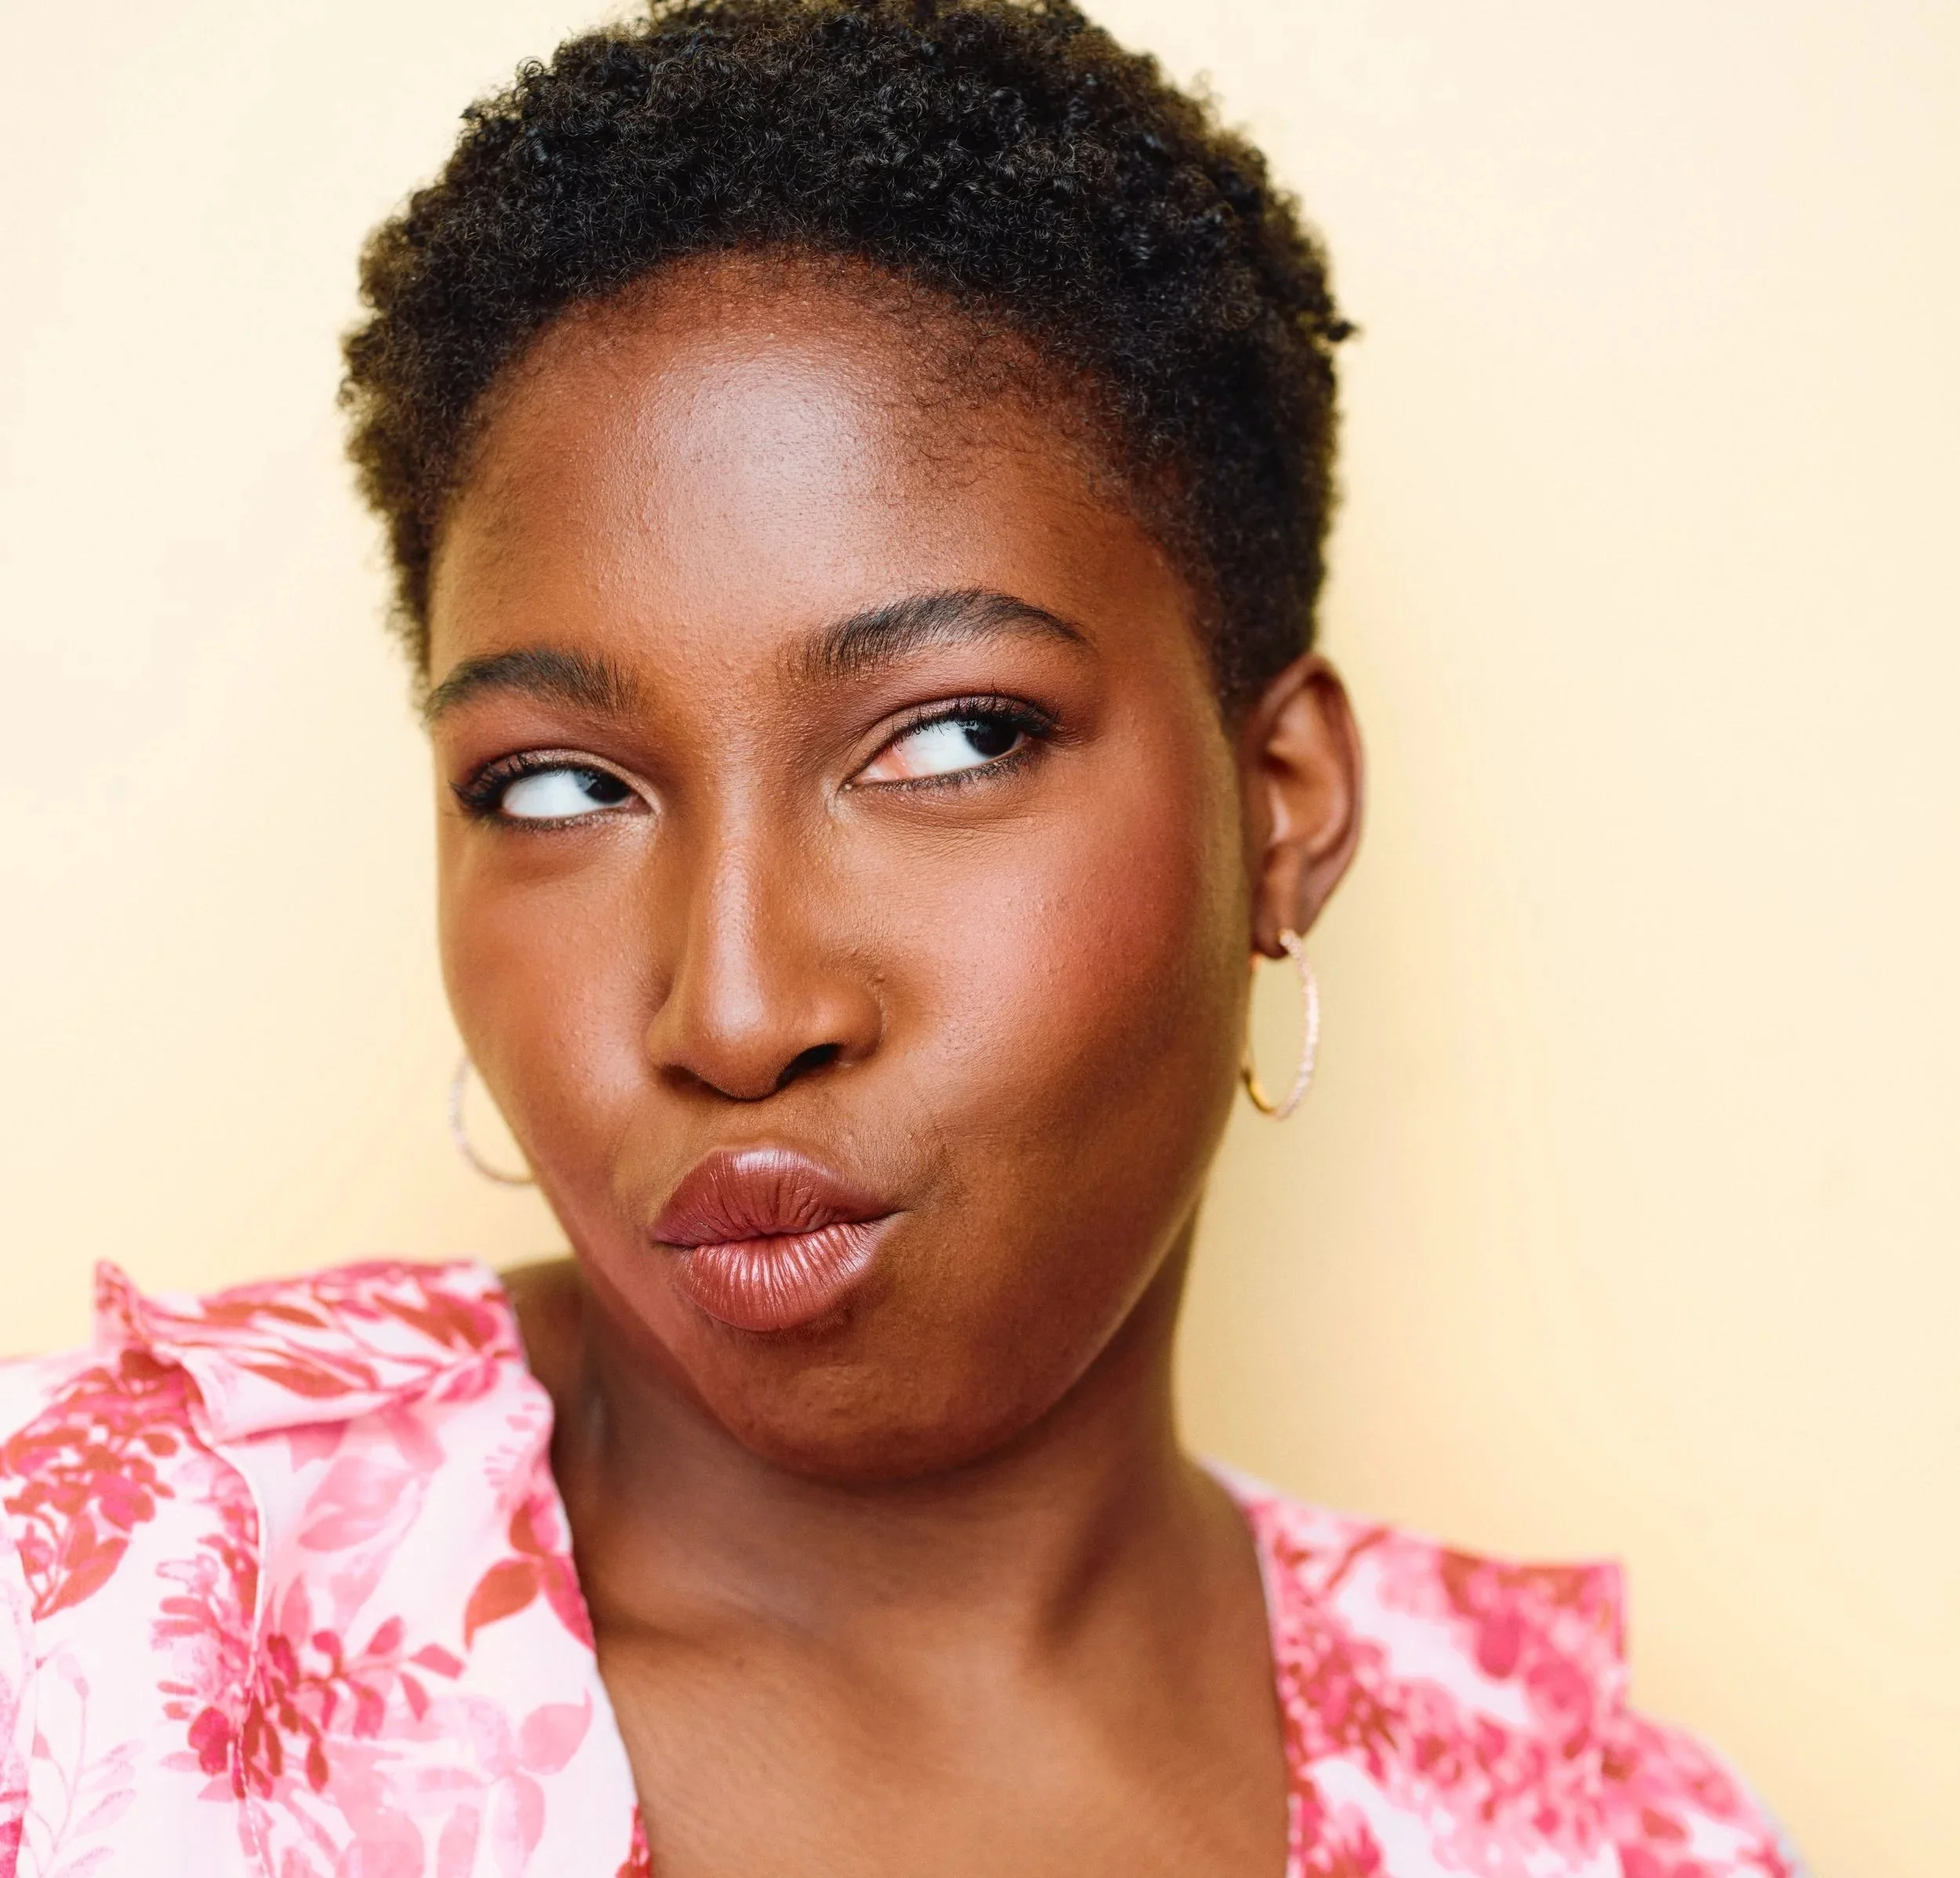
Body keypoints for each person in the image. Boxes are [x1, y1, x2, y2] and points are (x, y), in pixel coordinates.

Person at [0, 3, 1808, 1873]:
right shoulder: (84, 1631)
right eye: (557, 786)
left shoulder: (1604, 1840)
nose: (734, 1010)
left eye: (951, 743)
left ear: (1279, 805)